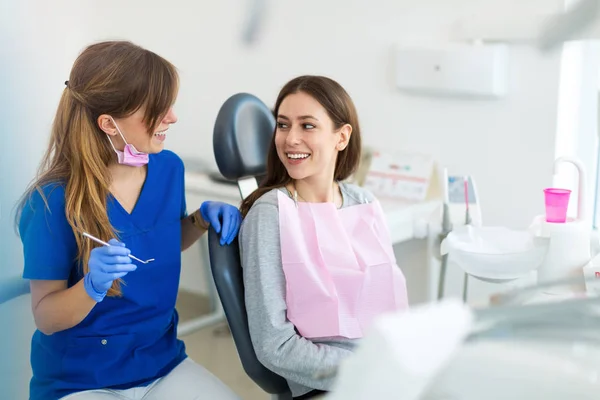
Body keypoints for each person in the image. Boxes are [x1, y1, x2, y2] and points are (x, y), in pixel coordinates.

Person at [15, 40, 242, 400]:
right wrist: (92, 286)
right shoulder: (51, 202)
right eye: (157, 109)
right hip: (81, 378)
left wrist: (199, 221)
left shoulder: (169, 168)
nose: (172, 117)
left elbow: (159, 241)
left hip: (160, 362)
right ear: (109, 123)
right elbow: (46, 315)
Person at [238, 75, 410, 399]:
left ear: (341, 137)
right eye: (283, 125)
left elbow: (392, 311)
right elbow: (274, 345)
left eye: (307, 126)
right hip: (331, 385)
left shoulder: (365, 203)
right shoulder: (271, 213)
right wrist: (366, 371)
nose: (290, 139)